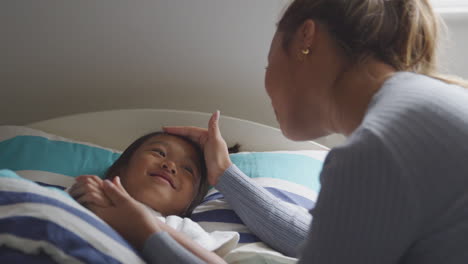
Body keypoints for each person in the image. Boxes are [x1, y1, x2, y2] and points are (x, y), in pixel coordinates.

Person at [81, 0, 468, 263]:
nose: (266, 86)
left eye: (268, 65)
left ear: (306, 40)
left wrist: (147, 231)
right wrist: (225, 177)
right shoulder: (423, 110)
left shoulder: (379, 148)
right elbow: (314, 241)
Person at [68, 131, 237, 264]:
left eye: (188, 169)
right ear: (120, 168)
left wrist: (135, 220)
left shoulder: (182, 228)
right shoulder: (92, 195)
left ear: (190, 203)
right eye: (159, 152)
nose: (169, 165)